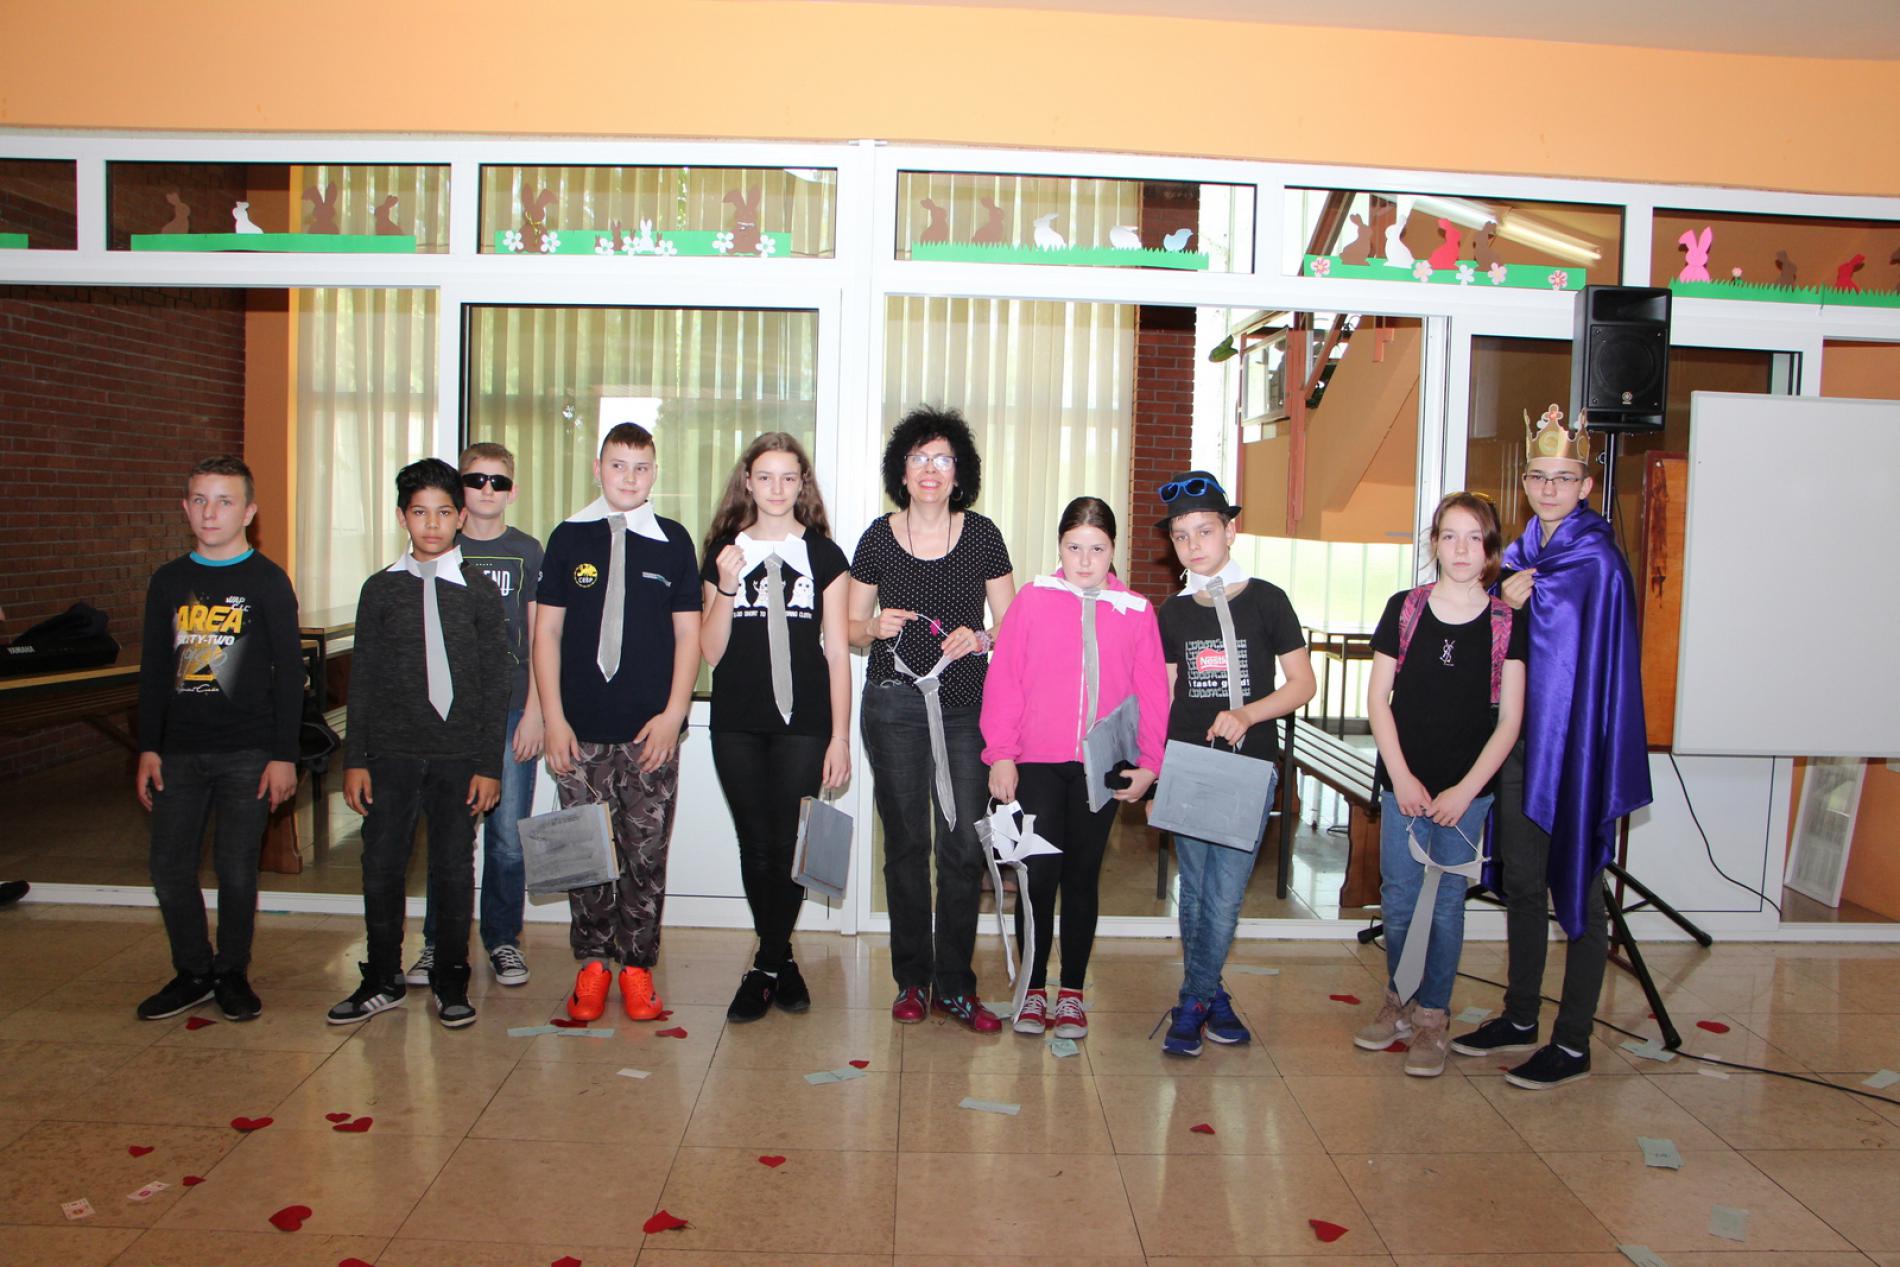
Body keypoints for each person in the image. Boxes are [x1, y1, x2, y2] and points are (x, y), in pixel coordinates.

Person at [1450, 405, 1652, 1089]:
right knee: (1524, 881)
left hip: (1574, 750)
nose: (1549, 489)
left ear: (1586, 485)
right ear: (1525, 483)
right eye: (1538, 476)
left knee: (1580, 889)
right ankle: (1520, 1016)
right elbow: (1494, 648)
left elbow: (1598, 663)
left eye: (1563, 478)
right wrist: (1503, 605)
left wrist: (1519, 605)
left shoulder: (1597, 560)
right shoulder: (1518, 554)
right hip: (1518, 741)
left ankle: (1572, 1041)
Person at [848, 405, 1016, 1032]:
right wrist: (873, 627)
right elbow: (847, 626)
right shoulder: (877, 537)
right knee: (906, 844)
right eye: (919, 457)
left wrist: (981, 637)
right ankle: (911, 982)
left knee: (963, 844)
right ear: (902, 469)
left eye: (943, 459)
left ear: (959, 472)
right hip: (894, 705)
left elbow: (1013, 628)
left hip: (966, 708)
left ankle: (956, 985)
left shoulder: (983, 535)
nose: (930, 469)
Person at [329, 458, 510, 1028]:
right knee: (381, 864)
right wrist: (355, 759)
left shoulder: (480, 592)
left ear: (460, 517)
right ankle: (381, 977)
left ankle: (450, 980)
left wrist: (489, 764)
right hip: (391, 754)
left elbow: (495, 683)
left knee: (453, 869)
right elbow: (363, 679)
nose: (432, 524)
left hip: (459, 757)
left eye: (443, 512)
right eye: (419, 512)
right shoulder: (380, 590)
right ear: (401, 517)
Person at [981, 496, 1167, 1040]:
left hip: (1101, 766)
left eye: (1097, 549)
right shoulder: (1033, 600)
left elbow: (1152, 691)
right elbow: (1006, 678)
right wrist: (1002, 752)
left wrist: (1151, 763)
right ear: (1059, 547)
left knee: (1082, 877)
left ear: (1114, 550)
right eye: (1074, 547)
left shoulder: (1136, 611)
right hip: (1037, 762)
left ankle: (1073, 994)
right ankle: (1033, 989)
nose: (1085, 561)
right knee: (1037, 876)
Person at [535, 423, 701, 1024]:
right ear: (597, 468)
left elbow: (688, 636)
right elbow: (547, 632)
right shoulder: (568, 537)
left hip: (649, 735)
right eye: (617, 465)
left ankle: (635, 966)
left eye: (640, 467)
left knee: (644, 854)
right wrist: (553, 720)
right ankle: (592, 965)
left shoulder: (673, 542)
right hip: (577, 732)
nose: (629, 477)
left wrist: (674, 715)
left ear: (654, 473)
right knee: (582, 852)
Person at [1355, 492, 1526, 1076]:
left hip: (1466, 793)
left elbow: (1510, 721)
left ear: (1490, 549)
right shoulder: (1405, 608)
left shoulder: (1506, 623)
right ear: (1434, 544)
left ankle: (1433, 1018)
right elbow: (1378, 700)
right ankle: (1399, 1001)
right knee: (1400, 899)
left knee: (1447, 905)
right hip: (1403, 783)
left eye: (1474, 538)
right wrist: (1401, 776)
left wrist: (1467, 790)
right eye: (1449, 536)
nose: (1461, 549)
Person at [133, 456, 303, 1023]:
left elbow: (289, 675)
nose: (211, 513)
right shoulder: (168, 581)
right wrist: (148, 746)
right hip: (178, 751)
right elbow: (155, 671)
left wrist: (284, 756)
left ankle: (231, 971)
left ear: (249, 512)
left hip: (248, 751)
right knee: (169, 867)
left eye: (225, 501)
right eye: (201, 501)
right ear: (186, 508)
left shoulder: (267, 582)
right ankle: (192, 970)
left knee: (235, 869)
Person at [1153, 471, 1315, 1057]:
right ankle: (1209, 996)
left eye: (1204, 531)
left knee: (1225, 896)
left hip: (1249, 767)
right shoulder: (1172, 614)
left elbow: (1302, 684)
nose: (1193, 544)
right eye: (1181, 536)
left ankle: (1191, 1002)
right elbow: (1167, 696)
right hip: (1189, 765)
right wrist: (1156, 768)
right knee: (1195, 892)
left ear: (1230, 532)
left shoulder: (1268, 599)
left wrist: (1247, 714)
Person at [700, 433, 852, 1021]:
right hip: (737, 721)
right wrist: (727, 586)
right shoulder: (723, 552)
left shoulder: (825, 557)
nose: (776, 488)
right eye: (765, 476)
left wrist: (840, 737)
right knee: (755, 844)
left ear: (802, 484)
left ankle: (764, 965)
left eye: (789, 477)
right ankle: (779, 959)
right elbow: (711, 652)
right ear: (748, 481)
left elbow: (837, 653)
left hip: (804, 723)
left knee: (788, 846)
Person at [407, 441, 543, 990]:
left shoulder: (528, 551)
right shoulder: (439, 545)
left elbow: (540, 637)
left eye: (498, 481)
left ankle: (503, 939)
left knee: (508, 838)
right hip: (448, 717)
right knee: (449, 837)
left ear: (513, 491)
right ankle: (438, 943)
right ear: (459, 488)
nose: (487, 490)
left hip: (511, 711)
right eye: (476, 479)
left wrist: (537, 712)